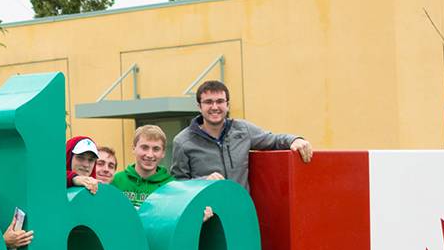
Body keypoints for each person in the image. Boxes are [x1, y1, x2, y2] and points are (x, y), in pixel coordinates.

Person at [170, 80, 314, 187]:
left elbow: (272, 139)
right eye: (208, 102)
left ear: (227, 105)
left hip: (241, 212)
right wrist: (203, 181)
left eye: (220, 101)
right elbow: (177, 184)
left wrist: (295, 140)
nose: (215, 107)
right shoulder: (183, 141)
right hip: (207, 217)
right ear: (199, 107)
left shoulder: (243, 130)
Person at [111, 125, 173, 208]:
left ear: (163, 153)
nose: (150, 155)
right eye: (144, 148)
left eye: (156, 149)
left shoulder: (171, 186)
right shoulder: (116, 181)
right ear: (133, 148)